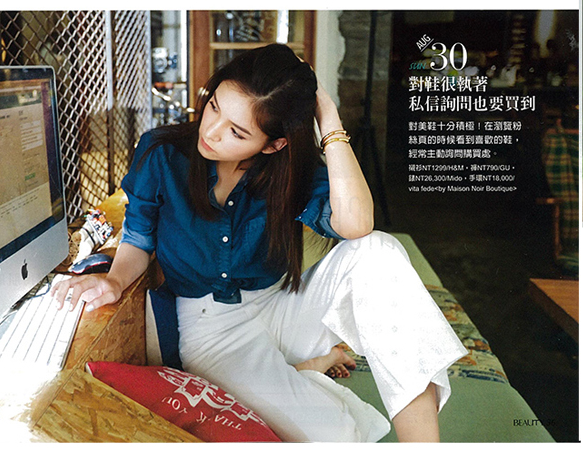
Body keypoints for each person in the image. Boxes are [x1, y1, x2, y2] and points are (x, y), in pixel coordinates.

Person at [52, 43, 467, 442]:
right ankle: (306, 369)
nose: (211, 131)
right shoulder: (162, 152)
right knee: (337, 437)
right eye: (214, 106)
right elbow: (138, 238)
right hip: (212, 328)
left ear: (274, 143)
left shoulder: (291, 170)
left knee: (380, 250)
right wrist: (115, 280)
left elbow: (357, 225)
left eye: (236, 131)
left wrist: (328, 116)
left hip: (283, 305)